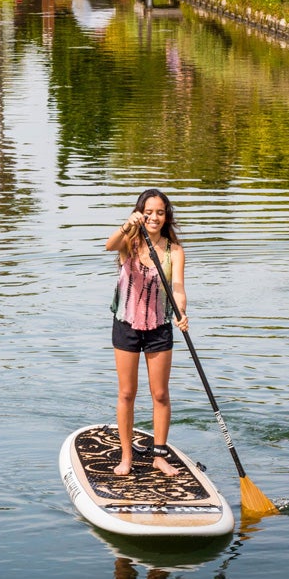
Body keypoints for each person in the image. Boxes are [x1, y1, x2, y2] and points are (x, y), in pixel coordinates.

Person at [105, 189, 188, 478]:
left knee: (161, 394)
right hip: (126, 324)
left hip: (159, 328)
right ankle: (126, 457)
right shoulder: (130, 241)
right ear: (141, 213)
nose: (154, 217)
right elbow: (109, 245)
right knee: (127, 393)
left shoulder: (174, 251)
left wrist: (181, 312)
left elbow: (177, 287)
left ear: (167, 217)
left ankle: (159, 457)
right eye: (149, 212)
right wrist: (129, 224)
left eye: (160, 212)